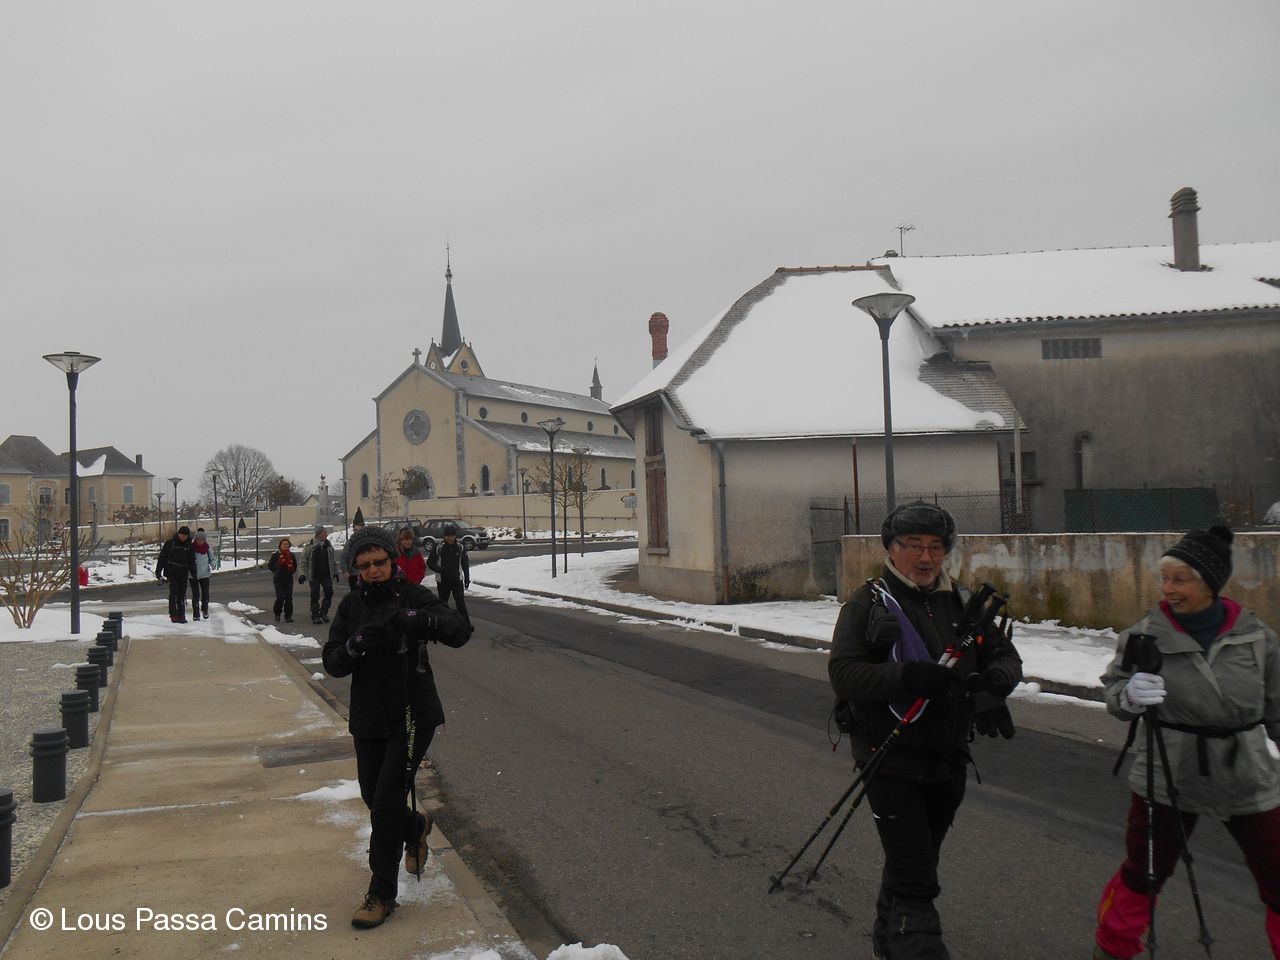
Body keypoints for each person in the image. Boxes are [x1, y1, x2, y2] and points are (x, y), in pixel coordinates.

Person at [828, 501, 1022, 960]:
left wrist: (995, 683)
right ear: (892, 549)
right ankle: (914, 947)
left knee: (915, 859)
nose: (925, 557)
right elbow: (845, 675)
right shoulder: (868, 603)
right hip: (888, 759)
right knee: (916, 874)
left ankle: (887, 937)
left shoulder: (963, 603)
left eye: (935, 547)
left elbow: (1003, 655)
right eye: (913, 545)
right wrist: (908, 676)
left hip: (948, 761)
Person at [1093, 526, 1280, 960]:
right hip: (1169, 773)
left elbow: (1277, 707)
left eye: (1180, 579)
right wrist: (1128, 696)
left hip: (1247, 772)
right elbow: (1115, 695)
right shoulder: (1144, 635)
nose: (1168, 589)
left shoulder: (1257, 636)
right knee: (1144, 872)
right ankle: (1113, 948)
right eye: (1165, 578)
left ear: (1210, 583)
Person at [322, 526, 470, 929]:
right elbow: (332, 661)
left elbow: (459, 631)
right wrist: (353, 646)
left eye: (380, 562)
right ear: (356, 568)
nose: (373, 570)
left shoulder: (413, 595)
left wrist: (422, 620)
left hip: (411, 715)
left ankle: (381, 893)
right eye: (364, 565)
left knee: (386, 803)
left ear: (392, 560)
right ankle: (416, 826)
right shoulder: (351, 606)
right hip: (368, 717)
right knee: (373, 797)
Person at [427, 523, 471, 626]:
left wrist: (467, 578)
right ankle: (441, 625)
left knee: (460, 603)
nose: (451, 538)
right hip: (443, 581)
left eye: (453, 536)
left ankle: (466, 625)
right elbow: (430, 562)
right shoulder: (439, 547)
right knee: (442, 604)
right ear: (444, 536)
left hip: (457, 580)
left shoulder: (460, 547)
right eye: (448, 536)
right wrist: (439, 569)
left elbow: (465, 563)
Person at [155, 525, 198, 624]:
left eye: (186, 536)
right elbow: (162, 558)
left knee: (182, 594)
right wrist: (158, 571)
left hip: (183, 572)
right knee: (174, 592)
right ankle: (173, 614)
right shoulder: (170, 543)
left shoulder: (189, 546)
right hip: (171, 572)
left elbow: (192, 560)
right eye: (182, 535)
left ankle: (181, 615)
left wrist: (194, 573)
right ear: (178, 534)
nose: (184, 537)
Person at [300, 525, 341, 624]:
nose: (326, 534)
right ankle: (315, 615)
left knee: (329, 592)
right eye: (324, 532)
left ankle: (324, 612)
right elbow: (303, 561)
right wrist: (302, 574)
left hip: (326, 574)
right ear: (318, 534)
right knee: (315, 594)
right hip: (314, 575)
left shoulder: (328, 546)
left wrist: (336, 572)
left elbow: (333, 560)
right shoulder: (310, 546)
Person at [266, 537, 296, 623]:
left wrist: (292, 571)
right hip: (278, 579)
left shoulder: (291, 555)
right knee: (280, 597)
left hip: (288, 579)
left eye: (287, 544)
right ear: (280, 545)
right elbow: (270, 565)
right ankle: (277, 613)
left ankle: (288, 616)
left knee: (289, 598)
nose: (285, 545)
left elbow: (295, 565)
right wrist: (276, 571)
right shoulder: (276, 555)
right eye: (283, 544)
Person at [189, 528, 213, 621]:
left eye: (202, 540)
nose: (200, 542)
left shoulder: (207, 548)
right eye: (199, 540)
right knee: (195, 594)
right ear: (195, 540)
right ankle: (196, 613)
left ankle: (205, 609)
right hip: (193, 575)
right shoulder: (191, 548)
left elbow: (211, 558)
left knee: (205, 593)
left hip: (204, 574)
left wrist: (213, 564)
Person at [341, 508, 366, 591]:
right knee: (355, 593)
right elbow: (344, 558)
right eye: (356, 530)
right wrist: (345, 571)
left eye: (359, 530)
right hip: (353, 574)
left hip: (366, 572)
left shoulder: (367, 542)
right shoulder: (349, 543)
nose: (357, 532)